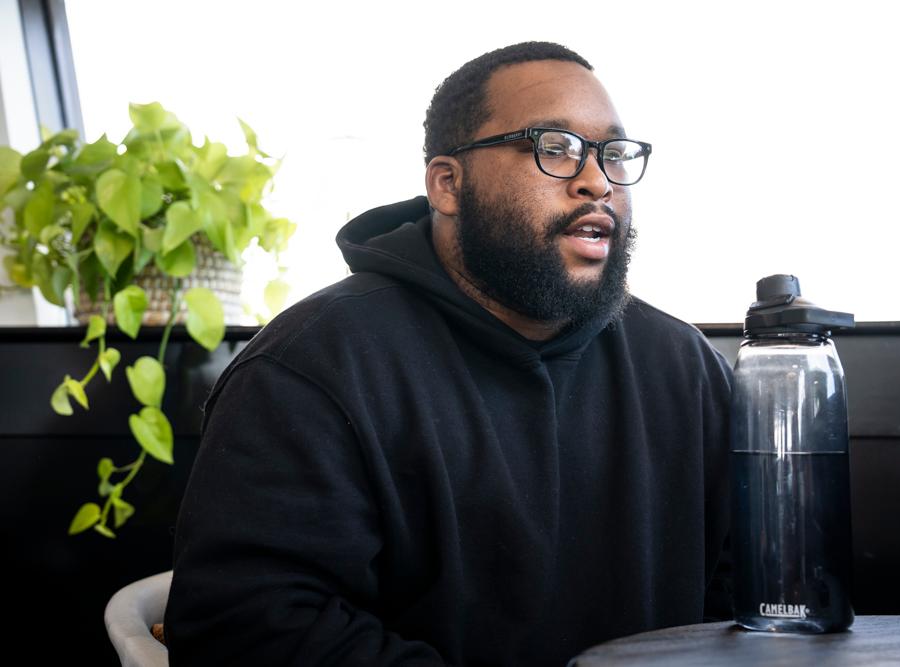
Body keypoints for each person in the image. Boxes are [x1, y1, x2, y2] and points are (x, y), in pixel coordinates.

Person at [165, 41, 733, 666]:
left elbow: (750, 600)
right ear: (447, 184)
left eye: (613, 153)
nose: (596, 180)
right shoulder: (311, 365)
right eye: (554, 147)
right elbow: (247, 625)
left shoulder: (684, 366)